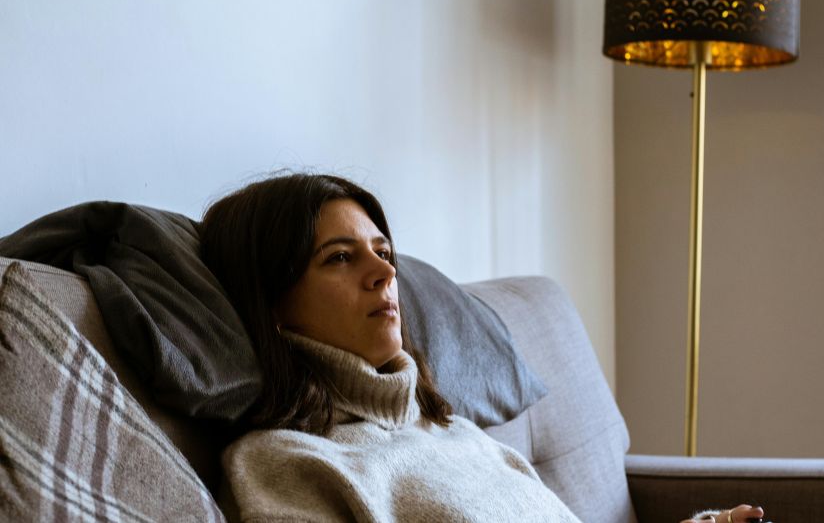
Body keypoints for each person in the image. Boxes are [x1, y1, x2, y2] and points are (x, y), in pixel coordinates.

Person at [199, 173, 582, 522]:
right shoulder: (282, 463)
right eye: (341, 257)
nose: (387, 272)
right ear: (271, 304)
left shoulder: (461, 433)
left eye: (383, 253)